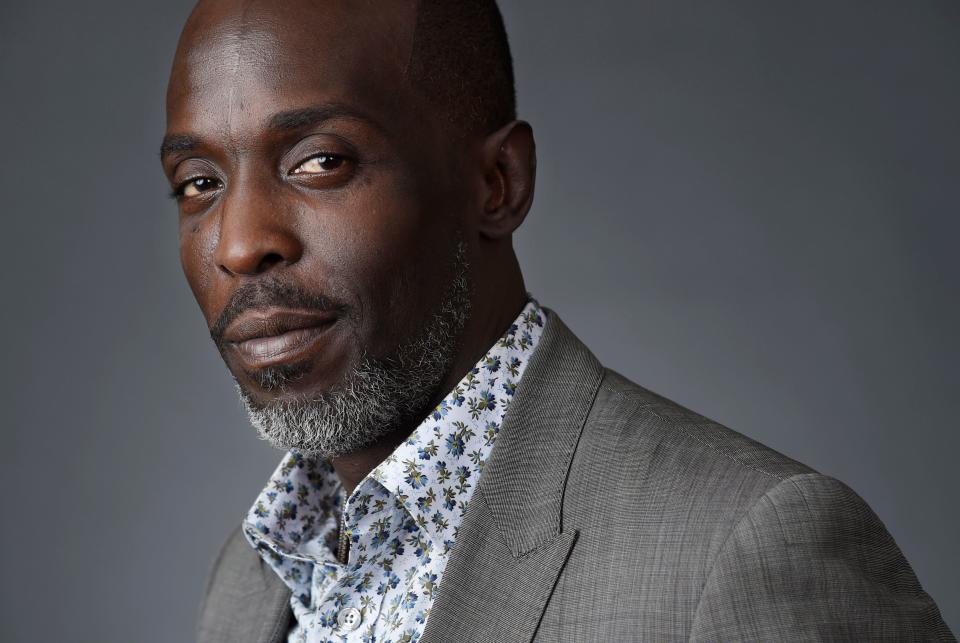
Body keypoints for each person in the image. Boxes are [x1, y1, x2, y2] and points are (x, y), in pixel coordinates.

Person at [160, 1, 954, 641]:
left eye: (321, 160)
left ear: (498, 183)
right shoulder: (253, 577)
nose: (238, 243)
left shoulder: (745, 551)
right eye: (198, 181)